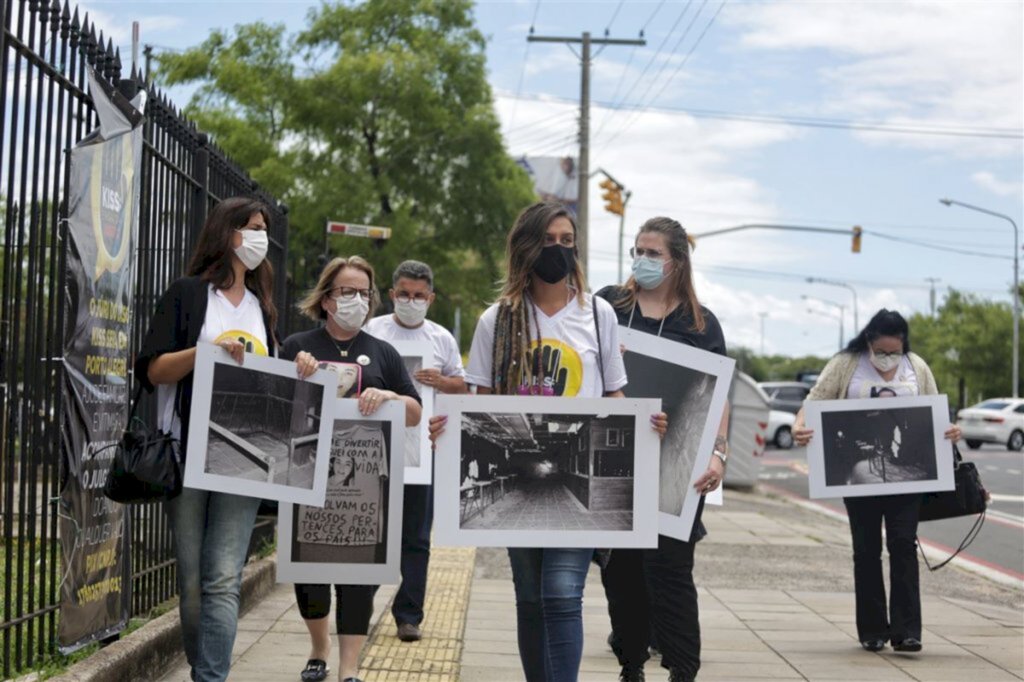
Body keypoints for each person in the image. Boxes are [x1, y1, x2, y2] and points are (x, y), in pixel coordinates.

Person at [428, 202, 667, 682]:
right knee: (531, 599)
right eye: (548, 241)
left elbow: (616, 393)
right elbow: (483, 399)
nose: (558, 250)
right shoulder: (498, 320)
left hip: (567, 489)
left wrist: (646, 423)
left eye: (567, 240)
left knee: (561, 594)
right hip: (521, 480)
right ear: (525, 247)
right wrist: (450, 429)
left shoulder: (597, 313)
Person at [135, 197, 319, 682]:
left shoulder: (263, 307)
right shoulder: (189, 295)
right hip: (190, 452)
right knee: (193, 580)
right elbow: (153, 370)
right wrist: (206, 350)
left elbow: (268, 384)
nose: (261, 237)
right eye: (253, 227)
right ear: (227, 232)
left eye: (264, 229)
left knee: (222, 578)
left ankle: (209, 677)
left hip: (246, 460)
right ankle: (203, 666)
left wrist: (297, 368)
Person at [596, 217, 730, 682]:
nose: (643, 260)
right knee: (621, 572)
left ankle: (682, 669)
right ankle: (630, 664)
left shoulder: (701, 322)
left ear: (677, 261)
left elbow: (716, 395)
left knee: (671, 570)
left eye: (653, 253)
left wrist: (718, 455)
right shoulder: (609, 305)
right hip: (613, 457)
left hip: (676, 464)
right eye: (638, 251)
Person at [282, 256, 422, 682]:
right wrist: (298, 375)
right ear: (327, 300)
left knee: (359, 574)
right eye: (347, 292)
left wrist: (390, 399)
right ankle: (319, 648)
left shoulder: (384, 353)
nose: (357, 300)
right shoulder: (297, 346)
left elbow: (414, 411)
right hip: (307, 477)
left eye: (364, 292)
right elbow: (273, 402)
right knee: (310, 570)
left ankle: (348, 668)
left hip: (366, 482)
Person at [793, 309, 962, 654]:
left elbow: (935, 411)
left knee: (903, 545)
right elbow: (814, 401)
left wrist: (951, 431)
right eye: (882, 350)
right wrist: (799, 426)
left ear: (904, 346)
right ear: (868, 341)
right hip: (860, 478)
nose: (888, 358)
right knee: (866, 550)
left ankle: (907, 631)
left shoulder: (917, 367)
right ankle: (872, 631)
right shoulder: (845, 364)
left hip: (906, 478)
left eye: (894, 351)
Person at [363, 259, 468, 643]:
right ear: (392, 294)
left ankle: (409, 614)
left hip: (424, 451)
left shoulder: (441, 338)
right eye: (404, 294)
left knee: (417, 536)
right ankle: (361, 604)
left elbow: (463, 386)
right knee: (371, 530)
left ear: (431, 298)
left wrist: (441, 381)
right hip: (373, 447)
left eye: (419, 296)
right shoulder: (372, 330)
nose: (411, 301)